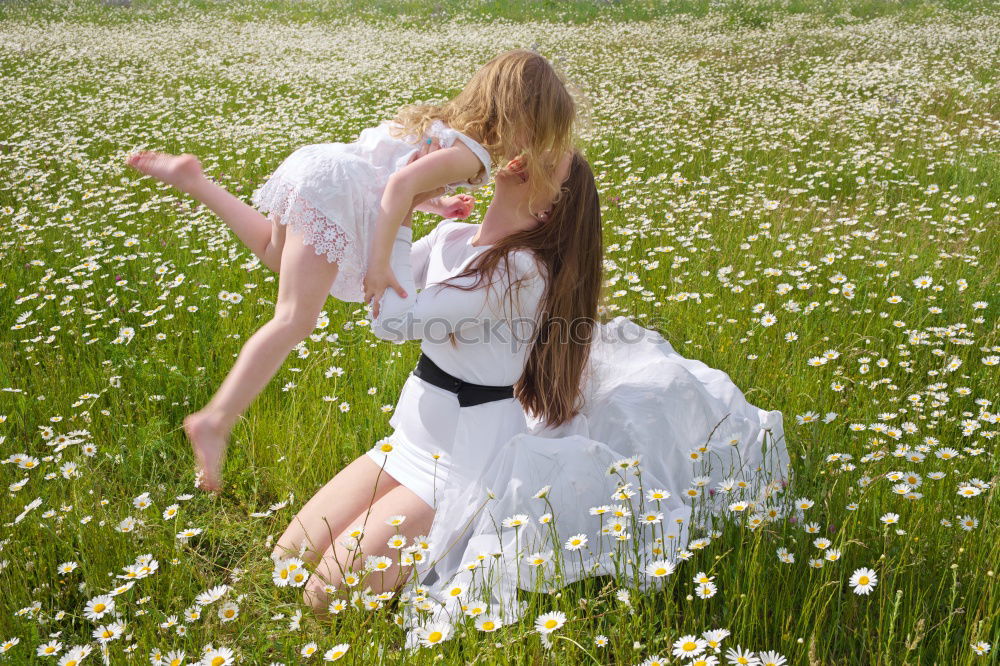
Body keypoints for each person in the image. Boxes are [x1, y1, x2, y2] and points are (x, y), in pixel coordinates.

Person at [271, 148, 790, 649]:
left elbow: (392, 320)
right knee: (286, 558)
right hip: (408, 439)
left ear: (546, 206)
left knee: (324, 597)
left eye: (545, 161)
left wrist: (402, 203)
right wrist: (382, 187)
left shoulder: (520, 271)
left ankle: (442, 539)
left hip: (460, 464)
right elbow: (366, 277)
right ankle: (392, 548)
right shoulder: (452, 235)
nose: (524, 155)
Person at [124, 49, 576, 491]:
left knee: (273, 252)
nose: (528, 150)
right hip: (335, 192)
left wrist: (437, 205)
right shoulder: (473, 155)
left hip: (320, 169)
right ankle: (215, 420)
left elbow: (397, 170)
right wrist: (379, 265)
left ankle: (194, 181)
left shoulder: (448, 126)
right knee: (294, 318)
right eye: (538, 135)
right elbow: (398, 185)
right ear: (524, 119)